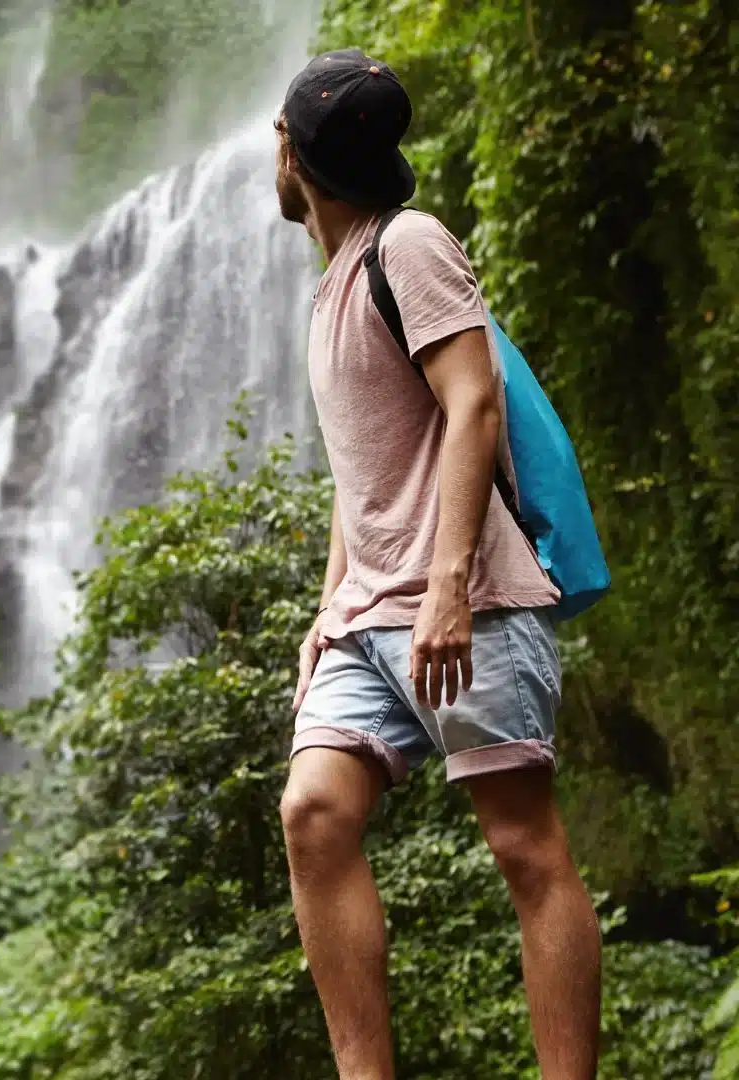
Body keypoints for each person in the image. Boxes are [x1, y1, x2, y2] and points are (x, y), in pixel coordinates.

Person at [273, 49, 602, 1079]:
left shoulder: (408, 245)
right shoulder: (334, 286)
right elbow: (362, 469)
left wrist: (449, 584)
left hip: (467, 603)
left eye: (277, 138)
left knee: (525, 847)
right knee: (312, 812)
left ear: (293, 152)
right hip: (365, 618)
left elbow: (473, 403)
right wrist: (327, 604)